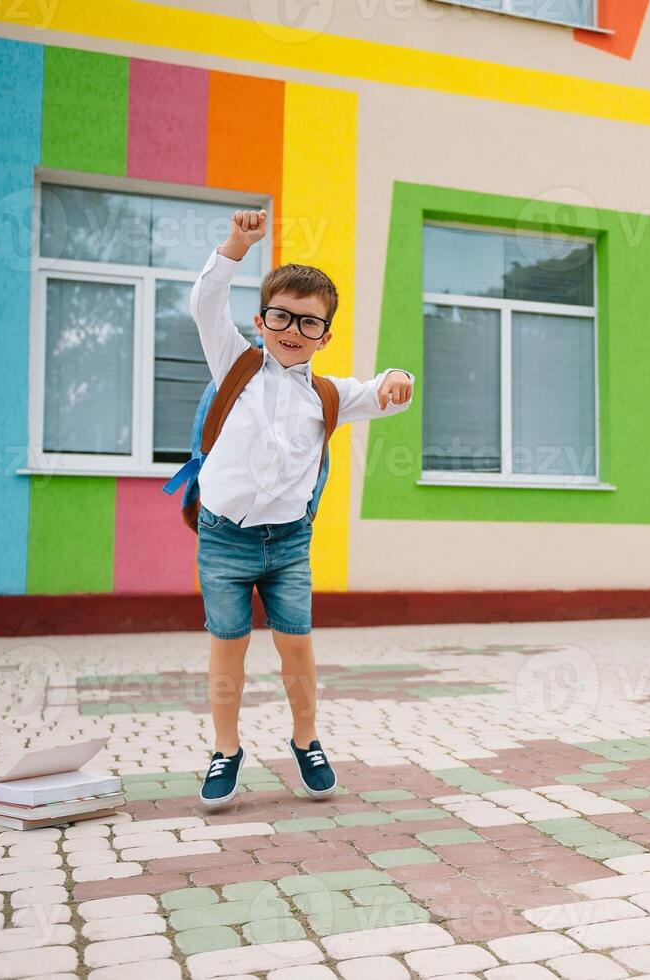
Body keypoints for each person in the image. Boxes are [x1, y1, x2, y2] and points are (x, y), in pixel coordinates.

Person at [190, 209, 414, 808]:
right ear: (261, 321)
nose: (293, 329)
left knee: (296, 643)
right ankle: (226, 748)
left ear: (325, 335)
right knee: (227, 644)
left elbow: (385, 389)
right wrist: (237, 246)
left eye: (308, 322)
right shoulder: (234, 364)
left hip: (288, 544)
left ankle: (306, 738)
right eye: (281, 316)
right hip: (224, 540)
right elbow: (207, 302)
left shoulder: (329, 393)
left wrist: (401, 376)